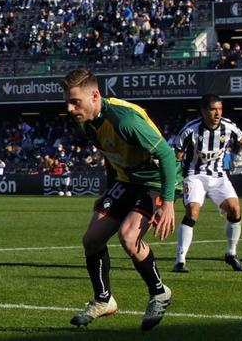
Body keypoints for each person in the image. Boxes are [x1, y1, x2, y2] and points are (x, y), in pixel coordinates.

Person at [61, 69, 177, 332]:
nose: (69, 108)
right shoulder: (87, 121)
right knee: (92, 239)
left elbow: (167, 156)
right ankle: (104, 300)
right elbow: (112, 158)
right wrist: (108, 191)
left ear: (95, 95)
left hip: (153, 182)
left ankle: (159, 292)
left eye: (75, 102)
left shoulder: (125, 120)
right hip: (124, 181)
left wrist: (167, 203)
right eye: (67, 102)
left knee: (128, 237)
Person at [172, 94, 242, 274]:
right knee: (193, 211)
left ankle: (231, 254)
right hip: (194, 175)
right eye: (213, 109)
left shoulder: (228, 126)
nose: (217, 113)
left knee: (235, 209)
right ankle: (180, 260)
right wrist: (173, 181)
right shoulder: (190, 130)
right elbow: (176, 157)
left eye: (220, 109)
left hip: (218, 175)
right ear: (203, 111)